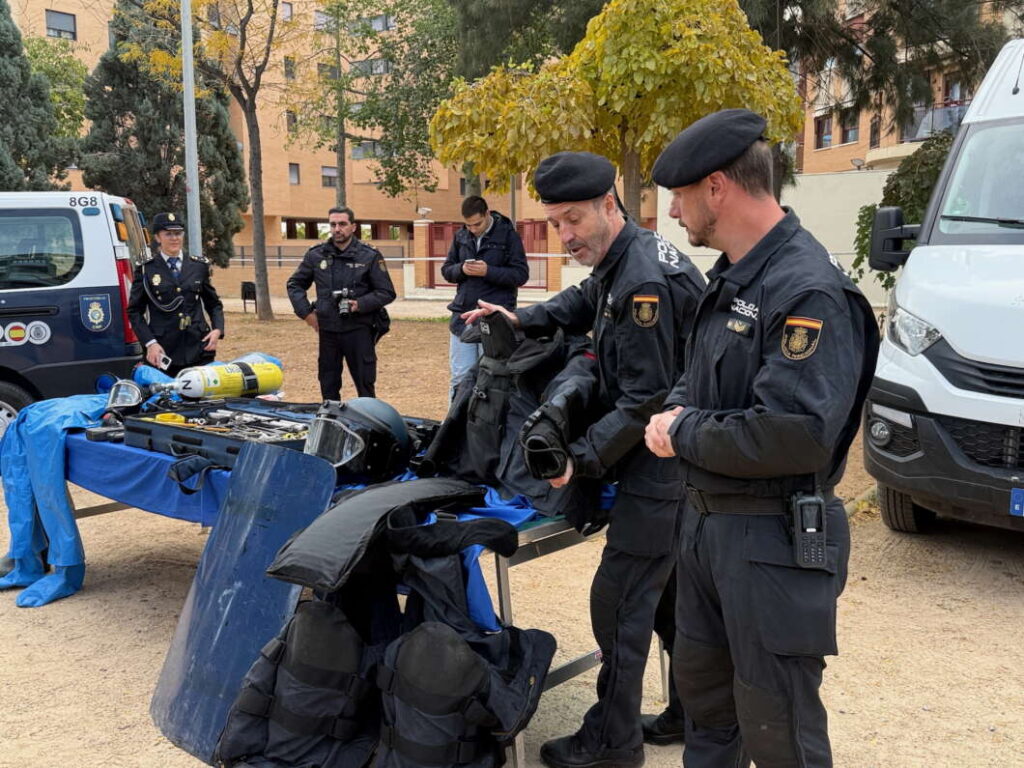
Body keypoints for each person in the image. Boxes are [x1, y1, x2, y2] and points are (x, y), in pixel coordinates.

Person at [644, 108, 879, 768]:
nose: (673, 213)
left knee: (780, 731)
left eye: (680, 196)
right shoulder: (732, 275)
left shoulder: (806, 288)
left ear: (716, 187)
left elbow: (797, 432)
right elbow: (695, 377)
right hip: (706, 531)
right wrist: (678, 409)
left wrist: (682, 429)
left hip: (770, 540)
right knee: (708, 715)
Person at [462, 151, 705, 768]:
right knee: (669, 598)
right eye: (555, 224)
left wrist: (581, 459)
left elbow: (645, 398)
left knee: (619, 603)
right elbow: (585, 300)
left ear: (608, 204)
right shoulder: (626, 258)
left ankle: (612, 742)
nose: (565, 235)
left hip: (662, 466)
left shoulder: (644, 281)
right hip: (676, 463)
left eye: (574, 220)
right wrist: (519, 316)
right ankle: (689, 713)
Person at [287, 207, 396, 401]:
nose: (337, 229)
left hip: (359, 330)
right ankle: (331, 419)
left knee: (365, 386)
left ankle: (367, 419)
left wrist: (360, 304)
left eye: (342, 224)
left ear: (353, 227)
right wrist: (307, 314)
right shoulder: (316, 255)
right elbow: (295, 284)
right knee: (328, 386)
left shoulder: (369, 255)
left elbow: (386, 292)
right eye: (333, 224)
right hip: (328, 330)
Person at [441, 195, 529, 400]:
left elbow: (520, 275)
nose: (473, 229)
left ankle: (486, 420)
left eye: (477, 224)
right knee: (460, 377)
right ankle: (455, 419)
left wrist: (488, 271)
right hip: (463, 317)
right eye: (468, 225)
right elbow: (446, 270)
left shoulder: (509, 235)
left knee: (492, 378)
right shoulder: (461, 236)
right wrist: (461, 269)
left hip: (494, 318)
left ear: (487, 214)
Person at [127, 212, 224, 377]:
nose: (174, 238)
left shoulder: (198, 266)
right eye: (168, 234)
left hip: (198, 347)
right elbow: (134, 311)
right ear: (157, 237)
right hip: (163, 350)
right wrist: (150, 343)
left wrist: (217, 330)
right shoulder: (146, 269)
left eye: (178, 233)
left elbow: (213, 304)